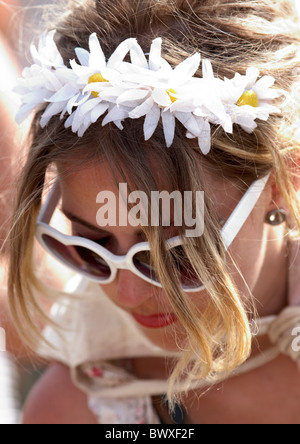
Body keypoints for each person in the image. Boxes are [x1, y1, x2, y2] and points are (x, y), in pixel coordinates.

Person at [8, 0, 300, 424]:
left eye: (178, 255)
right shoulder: (77, 409)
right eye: (90, 246)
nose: (127, 293)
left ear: (282, 180)